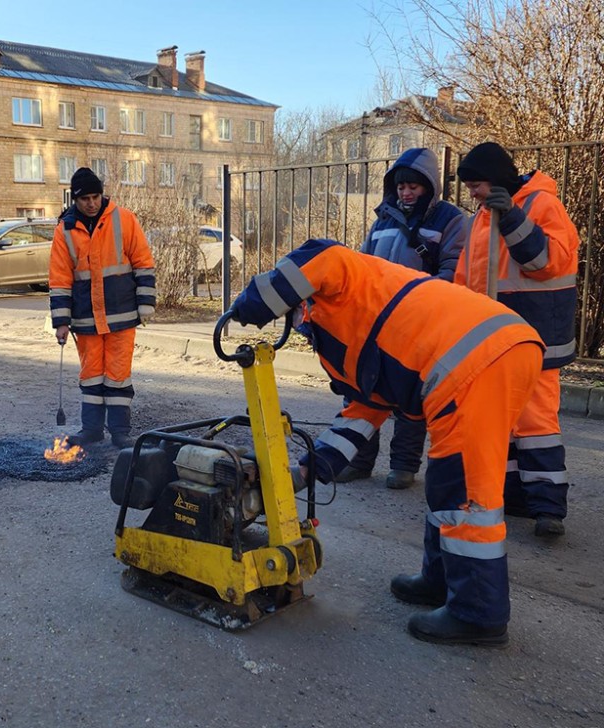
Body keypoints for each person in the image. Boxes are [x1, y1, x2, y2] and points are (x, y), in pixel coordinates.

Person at [231, 239, 543, 647]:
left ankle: (478, 613)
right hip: (486, 353)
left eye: (299, 316)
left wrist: (253, 301)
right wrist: (308, 471)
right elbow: (363, 413)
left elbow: (325, 257)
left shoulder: (347, 280)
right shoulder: (355, 341)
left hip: (477, 358)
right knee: (448, 482)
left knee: (463, 489)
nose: (302, 328)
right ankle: (441, 580)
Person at [454, 142, 580, 538]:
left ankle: (548, 509)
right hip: (495, 340)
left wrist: (511, 216)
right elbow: (467, 281)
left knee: (536, 421)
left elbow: (546, 263)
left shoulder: (541, 204)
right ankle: (517, 498)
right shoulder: (482, 216)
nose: (471, 193)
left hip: (535, 338)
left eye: (475, 184)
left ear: (495, 179)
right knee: (500, 420)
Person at [337, 148, 466, 490]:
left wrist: (421, 303)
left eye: (414, 186)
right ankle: (359, 460)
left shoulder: (450, 220)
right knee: (363, 391)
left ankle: (404, 467)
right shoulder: (383, 219)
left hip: (419, 321)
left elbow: (453, 270)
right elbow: (364, 268)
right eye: (401, 186)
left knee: (410, 398)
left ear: (429, 186)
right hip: (376, 322)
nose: (406, 192)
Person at [50, 167, 156, 448]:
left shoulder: (124, 220)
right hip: (86, 319)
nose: (92, 203)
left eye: (96, 196)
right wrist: (61, 321)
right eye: (85, 198)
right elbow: (60, 278)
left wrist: (146, 303)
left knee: (118, 376)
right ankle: (92, 430)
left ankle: (120, 432)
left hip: (121, 315)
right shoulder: (66, 230)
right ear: (75, 199)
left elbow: (143, 262)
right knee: (92, 375)